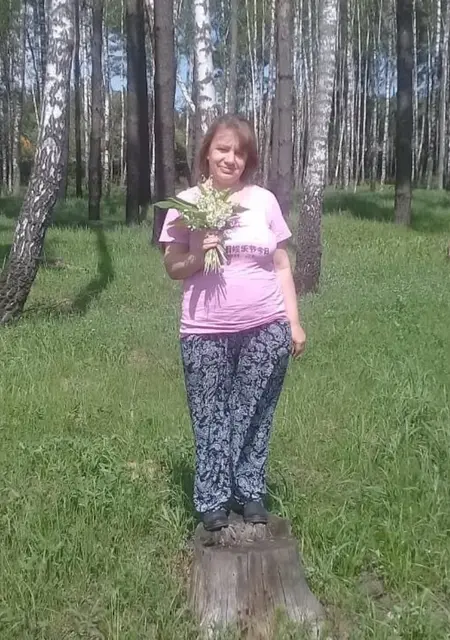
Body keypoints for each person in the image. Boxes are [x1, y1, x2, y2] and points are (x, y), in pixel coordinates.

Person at [159, 114, 306, 531]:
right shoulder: (187, 203)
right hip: (204, 329)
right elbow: (172, 267)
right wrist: (197, 253)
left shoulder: (264, 201)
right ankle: (213, 498)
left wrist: (293, 322)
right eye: (223, 149)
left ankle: (249, 491)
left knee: (254, 412)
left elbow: (281, 265)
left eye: (240, 153)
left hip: (266, 326)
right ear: (207, 152)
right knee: (210, 415)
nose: (231, 158)